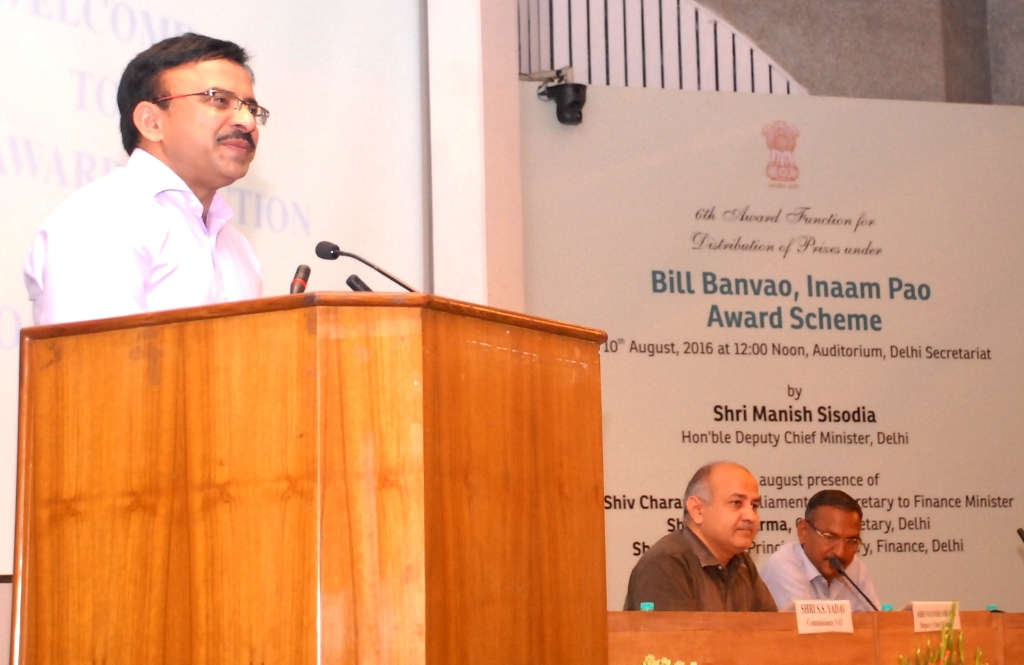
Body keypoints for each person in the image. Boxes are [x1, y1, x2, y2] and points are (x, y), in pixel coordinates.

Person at [24, 33, 267, 325]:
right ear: (152, 122)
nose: (247, 122)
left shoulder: (235, 245)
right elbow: (95, 351)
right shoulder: (103, 217)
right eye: (219, 100)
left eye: (251, 109)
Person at [623, 461, 777, 611]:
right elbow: (675, 629)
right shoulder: (665, 563)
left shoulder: (743, 563)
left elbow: (771, 627)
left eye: (754, 506)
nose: (751, 516)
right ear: (697, 509)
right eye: (736, 503)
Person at [761, 489, 881, 612]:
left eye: (851, 541)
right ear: (803, 531)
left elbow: (875, 619)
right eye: (830, 537)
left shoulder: (854, 566)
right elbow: (807, 623)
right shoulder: (784, 565)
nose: (840, 553)